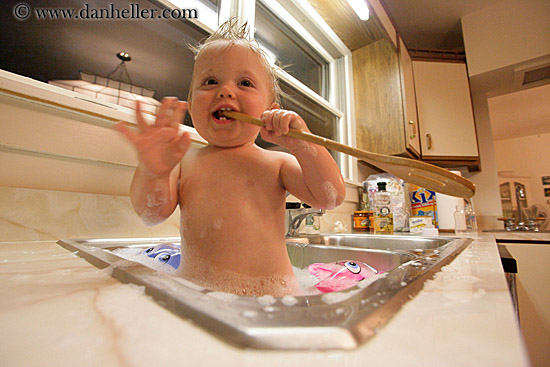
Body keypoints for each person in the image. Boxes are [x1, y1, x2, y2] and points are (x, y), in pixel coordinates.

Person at [115, 20, 345, 296]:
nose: (225, 90)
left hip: (272, 299)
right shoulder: (182, 162)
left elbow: (329, 197)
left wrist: (304, 144)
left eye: (245, 83)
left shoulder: (276, 163)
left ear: (269, 112)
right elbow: (151, 214)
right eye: (210, 81)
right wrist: (153, 172)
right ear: (191, 104)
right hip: (198, 296)